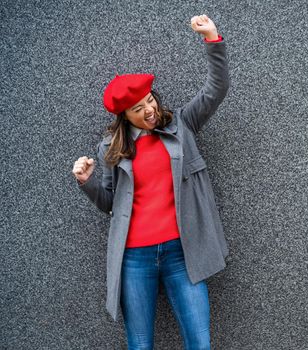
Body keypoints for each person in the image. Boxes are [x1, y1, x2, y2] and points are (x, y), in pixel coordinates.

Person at [72, 14, 229, 350]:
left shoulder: (181, 126)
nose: (149, 111)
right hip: (135, 257)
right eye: (137, 109)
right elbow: (110, 204)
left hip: (182, 252)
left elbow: (216, 90)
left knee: (200, 343)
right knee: (140, 344)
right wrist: (87, 182)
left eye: (150, 101)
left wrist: (212, 39)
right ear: (123, 116)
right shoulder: (110, 148)